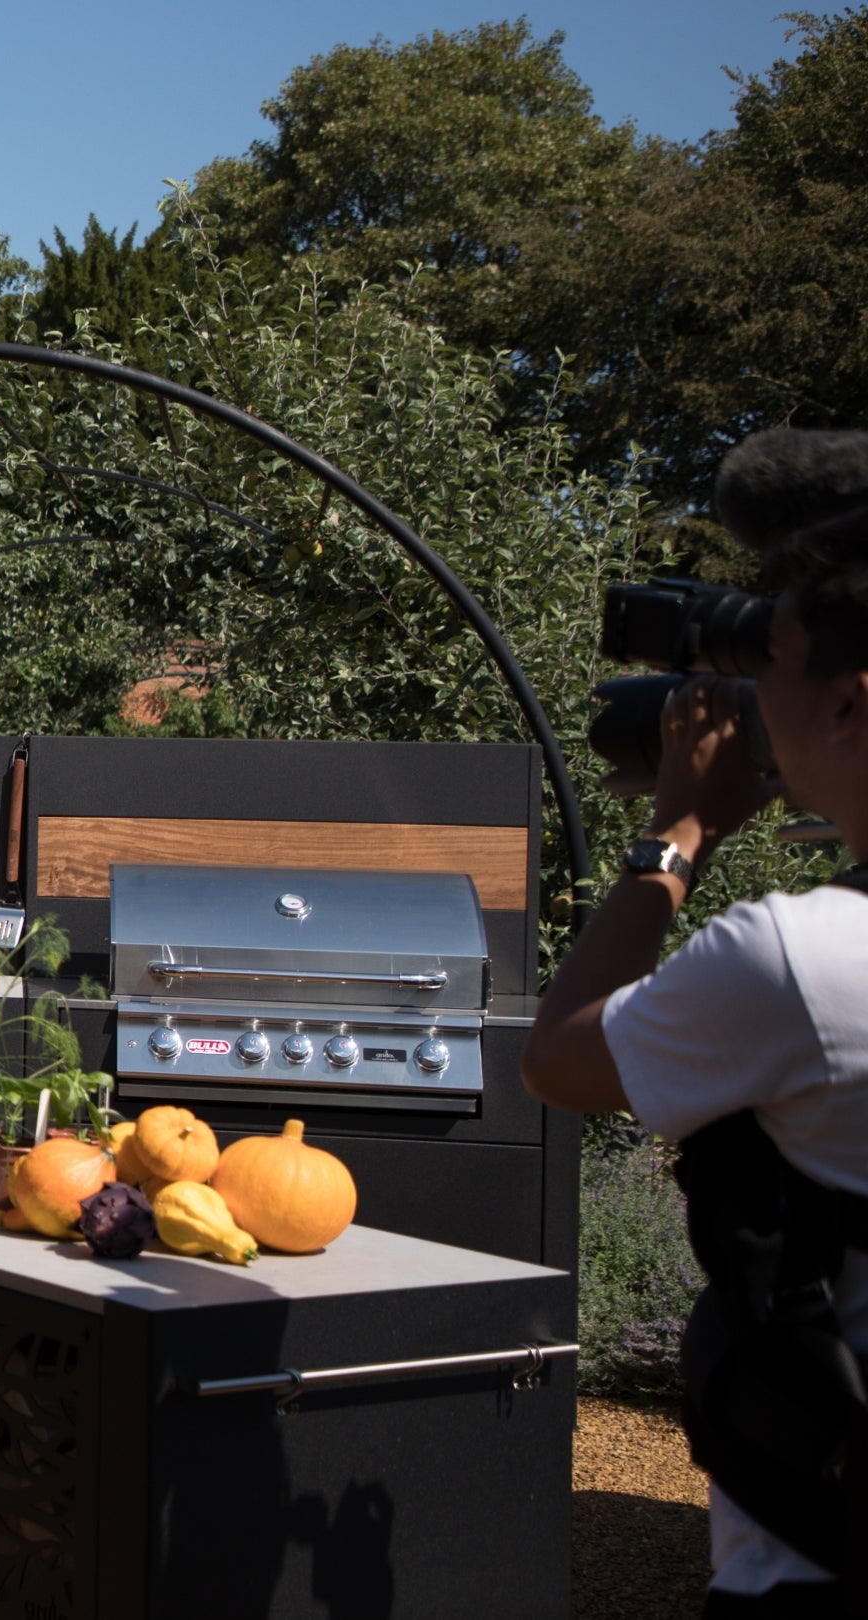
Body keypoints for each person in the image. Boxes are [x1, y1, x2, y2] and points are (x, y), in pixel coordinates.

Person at [523, 430, 868, 1613]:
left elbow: (561, 1055)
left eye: (766, 660)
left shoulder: (801, 960)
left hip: (816, 1552)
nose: (745, 698)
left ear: (847, 701)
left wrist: (678, 836)